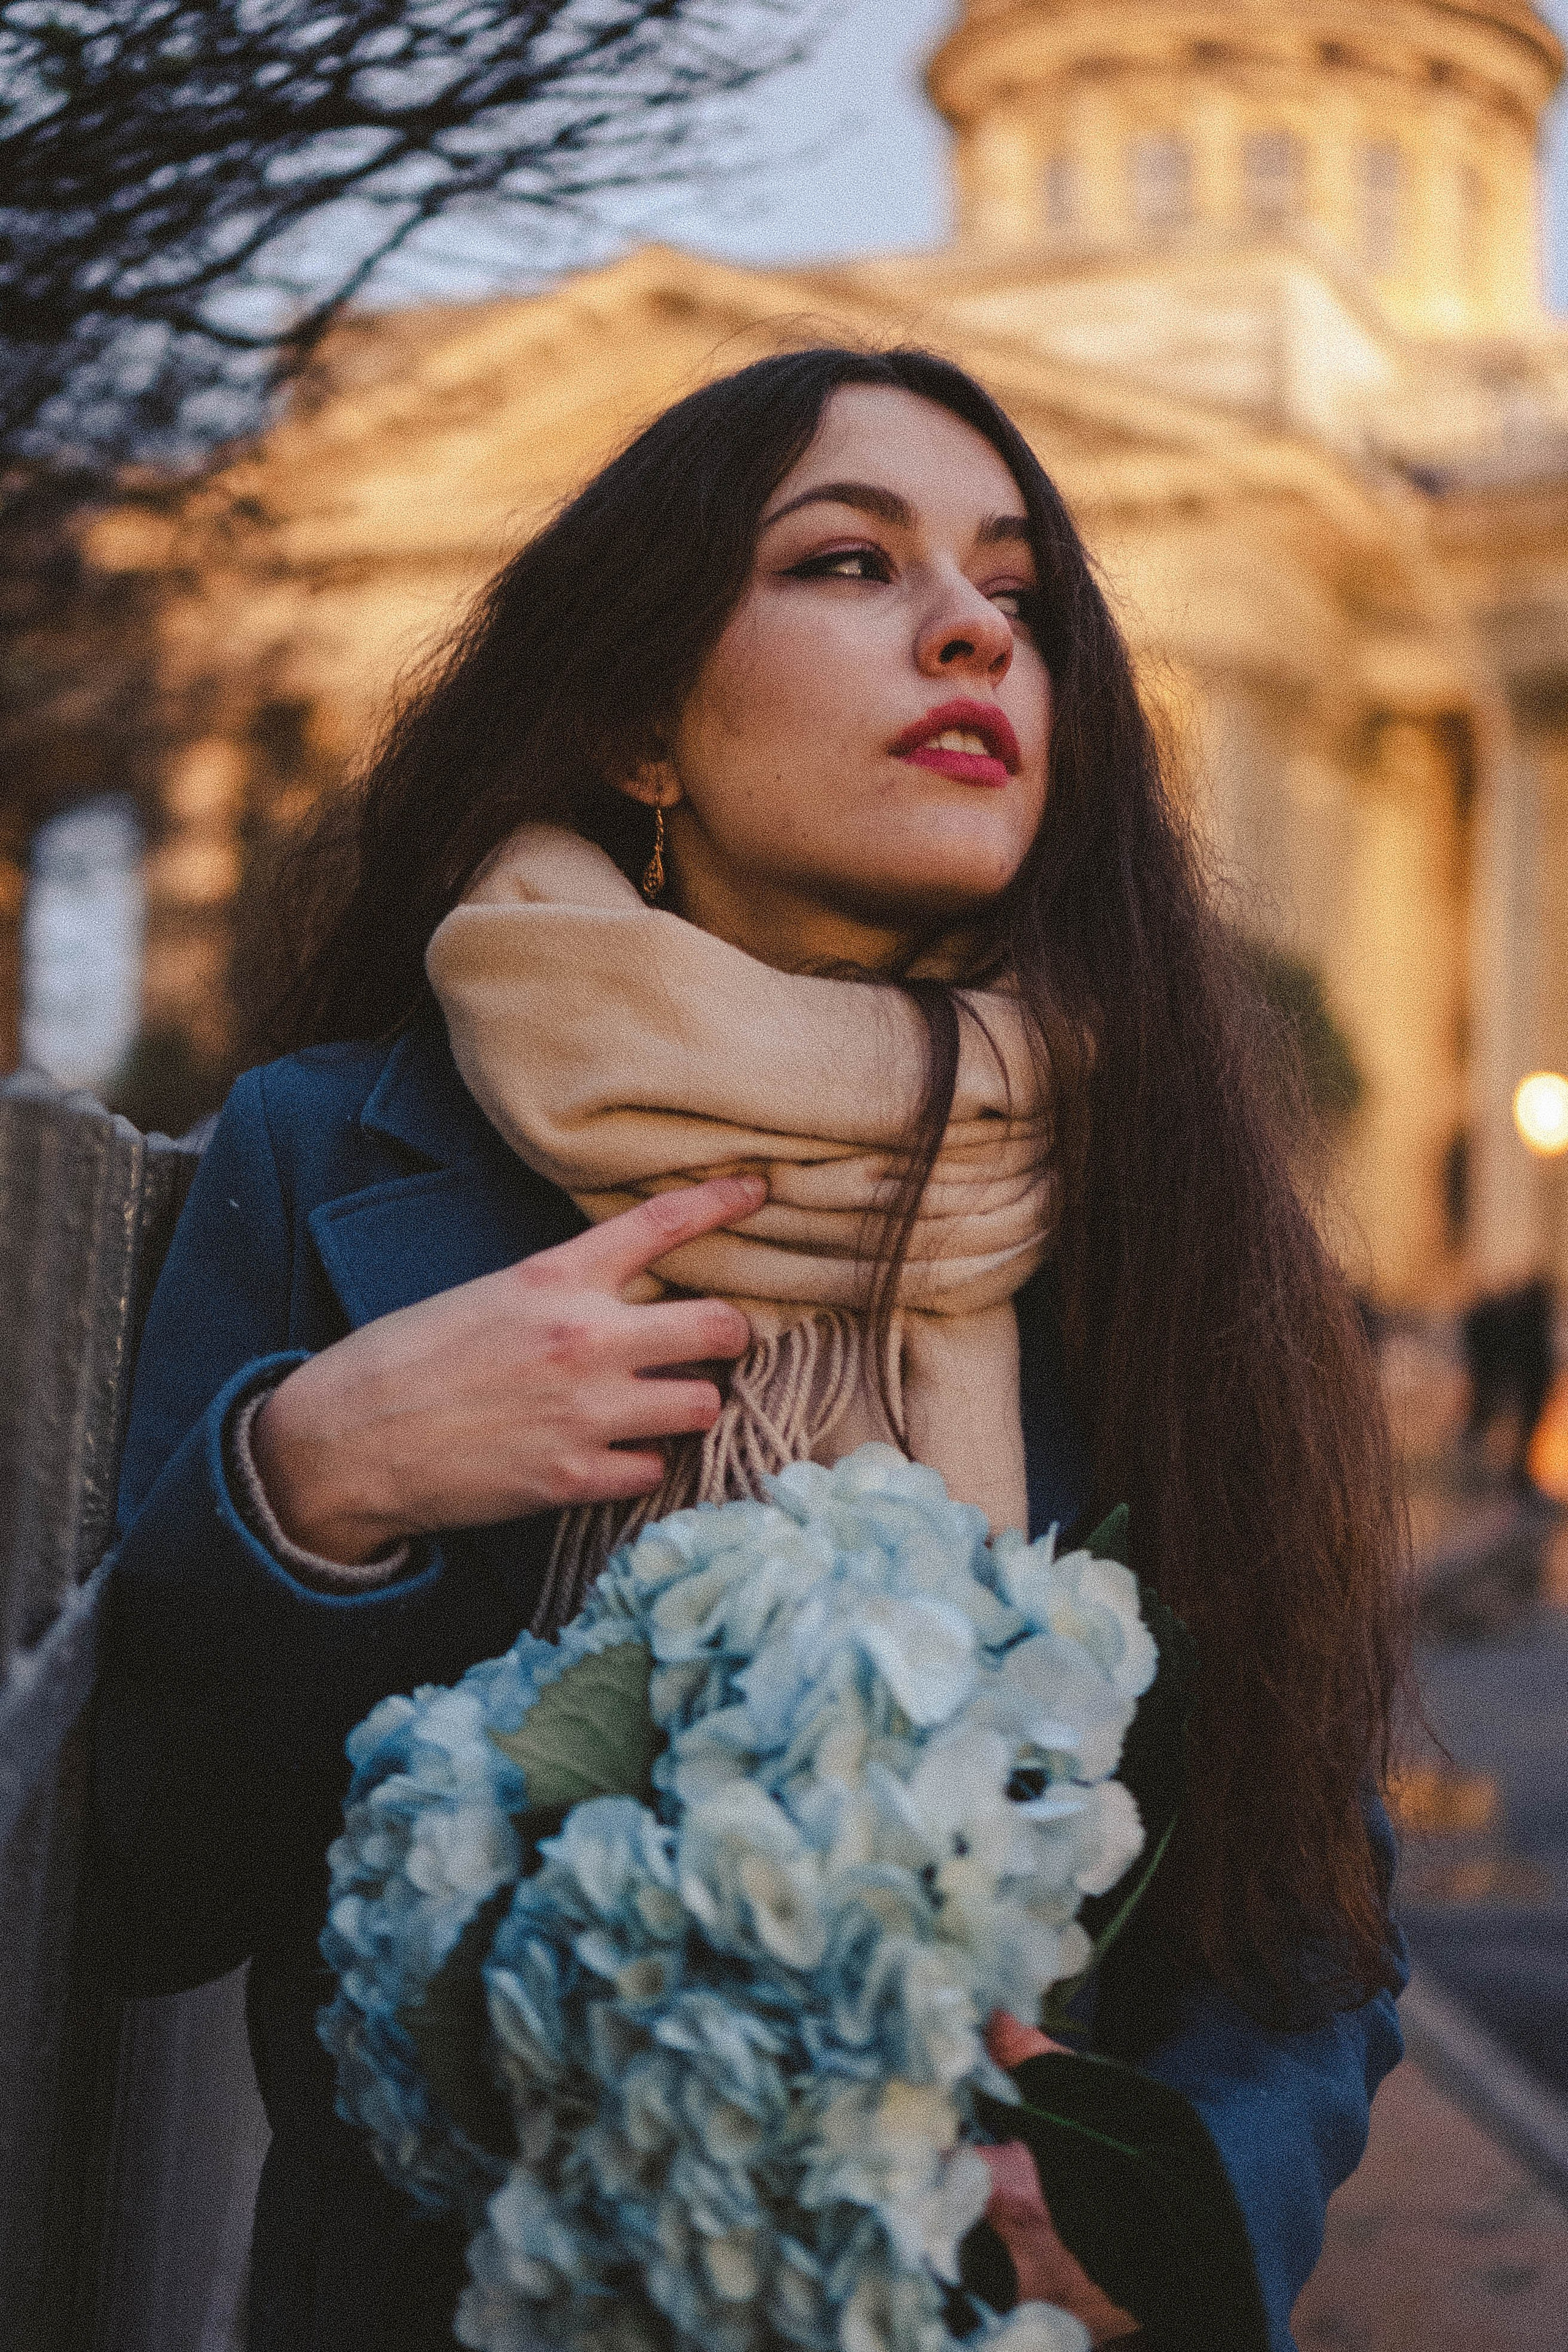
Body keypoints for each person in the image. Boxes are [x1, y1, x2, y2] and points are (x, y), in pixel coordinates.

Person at [95, 348, 1409, 2352]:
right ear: (641, 726)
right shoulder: (326, 1154)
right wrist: (315, 1486)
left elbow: (1306, 1918)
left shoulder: (1182, 1229)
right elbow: (150, 1890)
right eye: (850, 563)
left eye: (1017, 595)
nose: (973, 629)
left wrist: (1160, 2214)